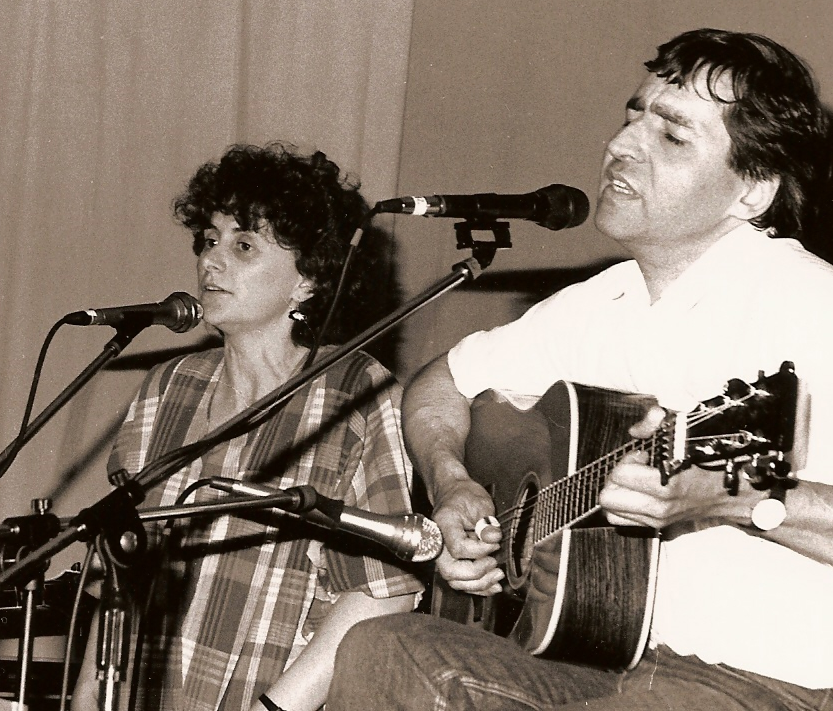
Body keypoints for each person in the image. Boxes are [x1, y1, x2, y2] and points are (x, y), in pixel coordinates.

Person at [326, 28, 833, 711]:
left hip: (755, 684)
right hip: (594, 660)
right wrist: (453, 483)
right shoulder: (601, 299)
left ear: (752, 191)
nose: (622, 146)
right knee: (379, 651)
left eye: (672, 136)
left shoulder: (811, 304)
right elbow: (438, 384)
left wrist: (736, 499)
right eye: (632, 116)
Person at [73, 143, 425, 711]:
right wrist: (88, 694)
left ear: (307, 280)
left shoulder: (354, 392)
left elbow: (382, 592)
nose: (211, 262)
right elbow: (121, 568)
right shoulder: (169, 387)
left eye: (243, 246)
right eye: (210, 240)